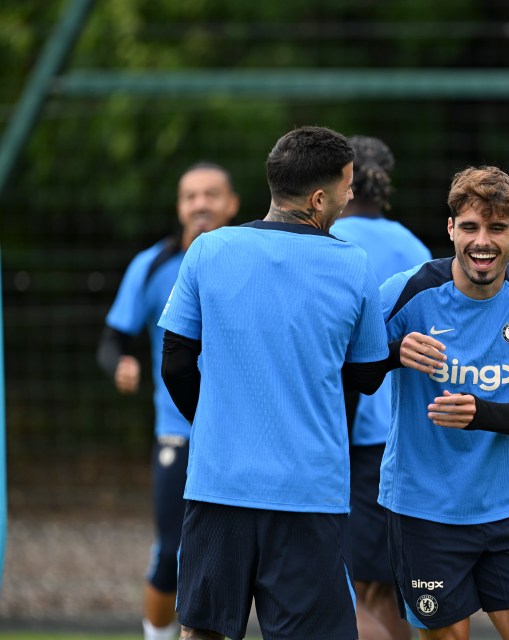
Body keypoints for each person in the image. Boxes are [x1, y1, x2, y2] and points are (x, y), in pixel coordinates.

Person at [158, 125, 391, 640]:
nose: (351, 195)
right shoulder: (351, 264)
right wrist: (398, 354)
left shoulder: (207, 250)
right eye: (347, 186)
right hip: (309, 493)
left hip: (219, 485)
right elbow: (367, 376)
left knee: (203, 633)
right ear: (318, 198)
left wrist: (218, 424)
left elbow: (174, 362)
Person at [377, 166, 509, 640]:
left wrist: (478, 413)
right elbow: (345, 366)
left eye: (497, 228)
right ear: (450, 230)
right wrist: (392, 355)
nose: (483, 242)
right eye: (470, 227)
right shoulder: (408, 292)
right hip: (424, 510)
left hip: (504, 510)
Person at [97, 162, 239, 640]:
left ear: (233, 203)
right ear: (179, 206)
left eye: (211, 195)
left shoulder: (255, 260)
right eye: (190, 196)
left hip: (246, 434)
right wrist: (121, 363)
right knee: (171, 552)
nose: (200, 204)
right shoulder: (152, 265)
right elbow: (112, 338)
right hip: (178, 431)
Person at [332, 135, 431, 640]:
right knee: (386, 588)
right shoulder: (414, 248)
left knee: (360, 589)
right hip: (403, 434)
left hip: (352, 440)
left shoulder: (324, 243)